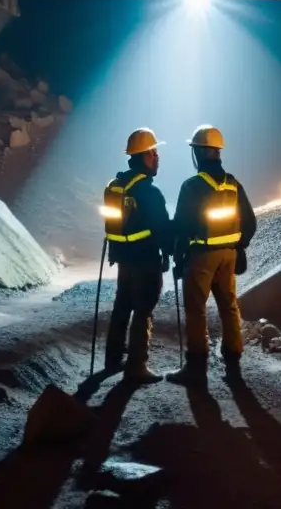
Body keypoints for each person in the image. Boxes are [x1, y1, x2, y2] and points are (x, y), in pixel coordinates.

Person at [166, 125, 257, 386]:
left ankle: (196, 366)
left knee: (196, 309)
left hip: (201, 257)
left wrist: (178, 256)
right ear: (217, 152)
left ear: (201, 153)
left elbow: (182, 226)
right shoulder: (233, 184)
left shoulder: (193, 186)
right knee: (228, 305)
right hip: (228, 256)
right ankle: (233, 355)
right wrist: (238, 246)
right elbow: (250, 222)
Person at [101, 127, 172, 383]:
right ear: (143, 156)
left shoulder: (117, 185)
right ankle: (137, 366)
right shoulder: (148, 192)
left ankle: (112, 359)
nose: (157, 158)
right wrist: (170, 251)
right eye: (154, 153)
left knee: (122, 306)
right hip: (145, 260)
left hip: (123, 258)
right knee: (143, 309)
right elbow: (162, 228)